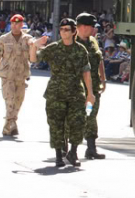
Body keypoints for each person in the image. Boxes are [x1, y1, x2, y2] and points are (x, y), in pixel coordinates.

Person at [29, 18, 95, 167]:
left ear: (73, 32)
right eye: (61, 29)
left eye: (66, 29)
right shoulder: (53, 48)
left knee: (78, 122)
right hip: (55, 93)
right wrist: (34, 45)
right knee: (56, 124)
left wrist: (90, 93)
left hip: (75, 93)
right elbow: (33, 59)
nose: (63, 32)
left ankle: (73, 152)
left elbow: (86, 72)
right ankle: (59, 155)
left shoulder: (80, 50)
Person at [0, 14, 34, 136]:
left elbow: (33, 56)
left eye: (17, 24)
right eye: (13, 23)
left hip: (21, 75)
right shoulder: (4, 39)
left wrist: (35, 45)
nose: (15, 26)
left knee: (18, 101)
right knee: (10, 100)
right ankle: (11, 123)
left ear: (21, 25)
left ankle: (9, 125)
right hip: (7, 75)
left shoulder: (27, 39)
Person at [75, 13, 107, 160]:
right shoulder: (71, 42)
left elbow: (99, 59)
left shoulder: (93, 41)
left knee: (91, 115)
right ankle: (68, 149)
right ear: (81, 27)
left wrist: (103, 78)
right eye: (90, 26)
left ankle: (91, 148)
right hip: (76, 89)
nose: (93, 29)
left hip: (92, 89)